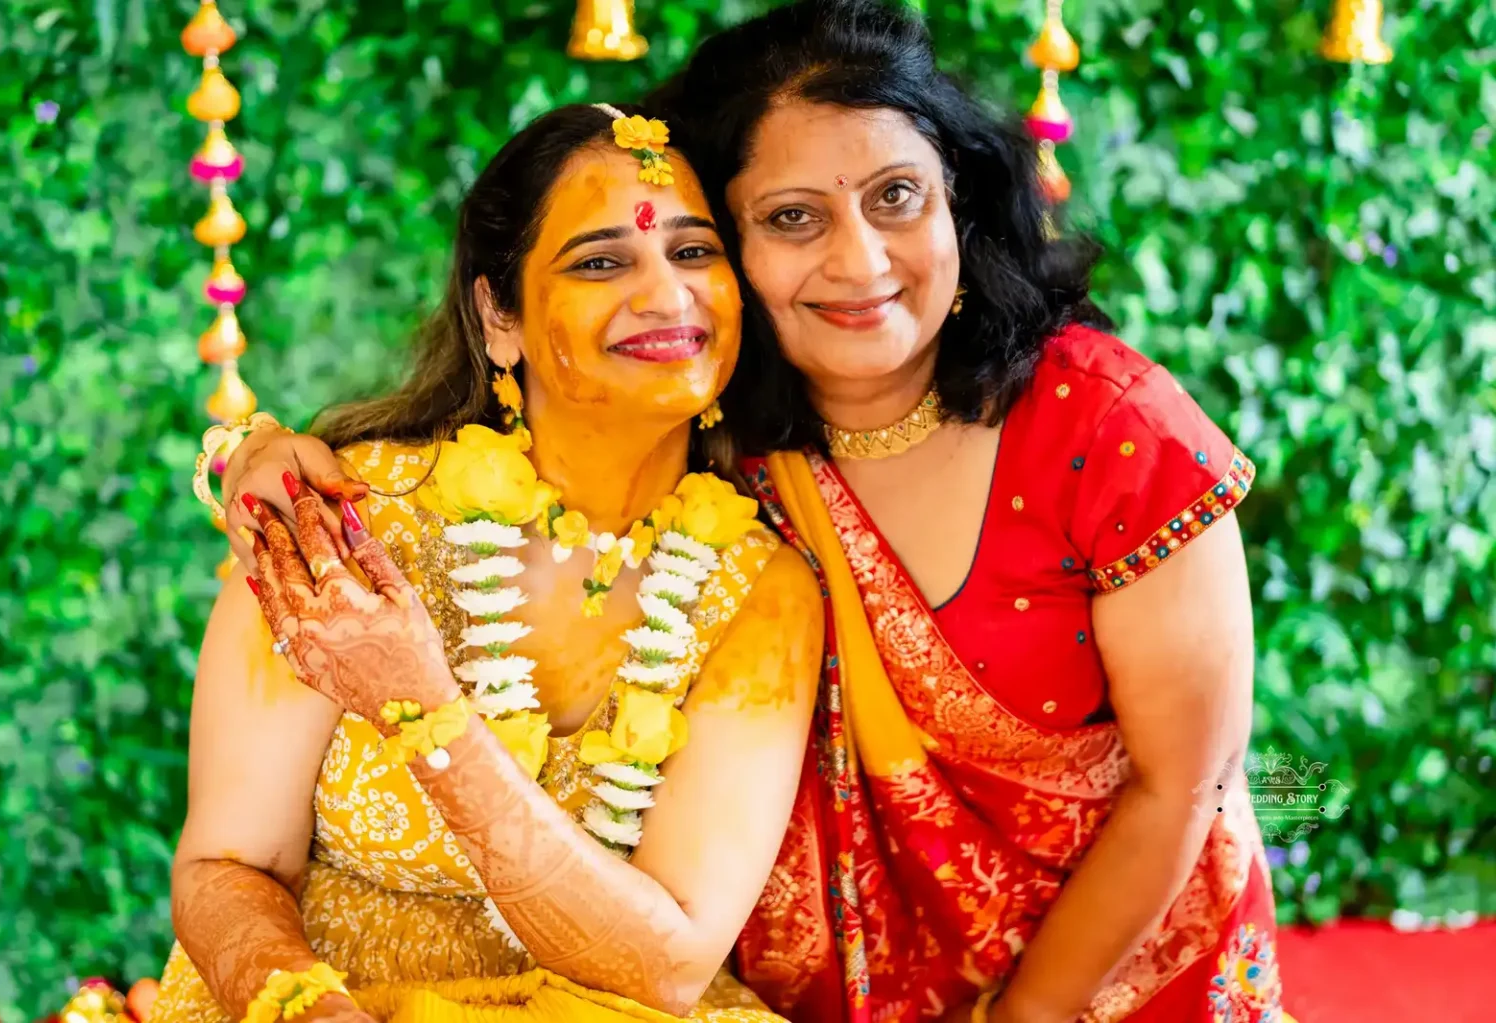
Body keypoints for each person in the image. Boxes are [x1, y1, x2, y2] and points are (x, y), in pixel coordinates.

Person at [216, 2, 1288, 1022]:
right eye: (789, 219)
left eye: (898, 197)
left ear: (959, 196)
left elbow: (1183, 785)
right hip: (841, 995)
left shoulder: (1102, 427)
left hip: (1121, 971)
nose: (859, 262)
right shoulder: (741, 445)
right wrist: (255, 451)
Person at [153, 102, 823, 1023]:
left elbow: (672, 961)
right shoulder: (350, 518)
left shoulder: (758, 590)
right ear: (497, 313)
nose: (668, 294)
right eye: (600, 260)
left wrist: (426, 709)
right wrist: (302, 1005)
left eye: (695, 251)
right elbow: (228, 862)